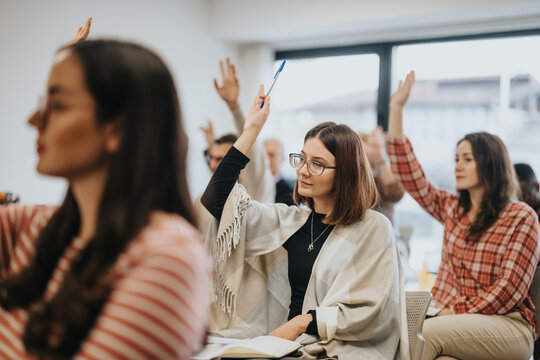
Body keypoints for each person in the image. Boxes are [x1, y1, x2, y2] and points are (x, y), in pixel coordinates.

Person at [0, 26, 208, 359]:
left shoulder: (167, 257)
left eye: (58, 105)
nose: (34, 119)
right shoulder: (32, 228)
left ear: (117, 128)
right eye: (44, 102)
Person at [201, 85, 408, 359]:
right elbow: (217, 198)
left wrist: (301, 323)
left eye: (317, 164)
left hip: (334, 349)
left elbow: (372, 310)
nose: (302, 170)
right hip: (282, 345)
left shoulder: (373, 228)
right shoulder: (290, 220)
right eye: (302, 159)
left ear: (345, 173)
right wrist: (251, 130)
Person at [387, 71, 540, 360]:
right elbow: (411, 175)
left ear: (491, 164)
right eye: (456, 159)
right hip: (454, 321)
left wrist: (447, 312)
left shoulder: (521, 217)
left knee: (423, 335)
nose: (458, 166)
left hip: (508, 325)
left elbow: (507, 291)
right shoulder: (453, 208)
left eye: (467, 159)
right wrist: (396, 109)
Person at [193, 58, 274, 234]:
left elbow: (251, 144)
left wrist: (234, 107)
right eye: (211, 158)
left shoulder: (255, 188)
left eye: (222, 159)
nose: (214, 165)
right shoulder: (202, 200)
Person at [264, 138, 295, 205]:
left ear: (282, 159)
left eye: (271, 155)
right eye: (264, 154)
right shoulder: (249, 184)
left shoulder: (290, 194)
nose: (266, 159)